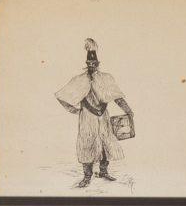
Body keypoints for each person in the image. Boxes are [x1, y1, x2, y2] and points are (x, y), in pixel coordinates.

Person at [53, 38, 132, 187]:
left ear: (98, 64)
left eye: (93, 63)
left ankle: (103, 171)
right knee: (87, 143)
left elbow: (117, 98)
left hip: (103, 116)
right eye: (89, 64)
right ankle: (87, 176)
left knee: (105, 143)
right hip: (87, 118)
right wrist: (73, 110)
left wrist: (128, 111)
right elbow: (63, 96)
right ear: (86, 64)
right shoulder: (79, 80)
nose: (91, 66)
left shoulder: (106, 78)